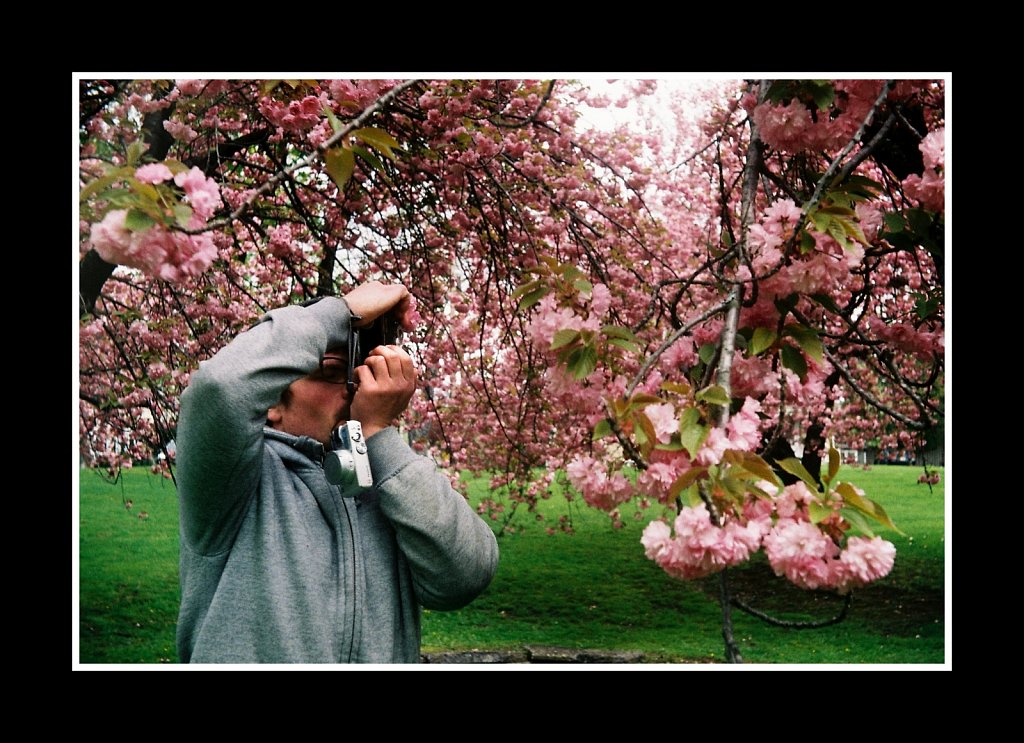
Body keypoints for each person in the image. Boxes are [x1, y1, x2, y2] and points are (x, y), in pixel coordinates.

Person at [175, 282, 499, 663]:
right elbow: (221, 387)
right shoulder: (237, 481)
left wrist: (377, 434)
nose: (354, 387)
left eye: (359, 370)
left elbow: (465, 576)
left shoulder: (388, 486)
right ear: (272, 402)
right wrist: (342, 312)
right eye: (332, 371)